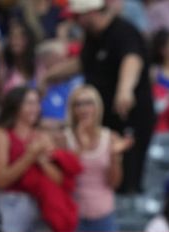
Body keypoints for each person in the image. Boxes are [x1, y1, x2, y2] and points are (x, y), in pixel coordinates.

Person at [62, 0, 155, 194]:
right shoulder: (92, 36)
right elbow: (83, 63)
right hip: (105, 117)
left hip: (128, 115)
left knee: (128, 172)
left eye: (80, 16)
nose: (78, 21)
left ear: (93, 13)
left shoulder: (123, 31)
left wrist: (125, 89)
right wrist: (50, 77)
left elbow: (132, 60)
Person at [0, 86, 74, 232]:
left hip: (42, 204)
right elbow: (0, 181)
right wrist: (30, 157)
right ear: (15, 105)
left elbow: (59, 181)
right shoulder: (1, 135)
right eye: (30, 103)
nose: (36, 108)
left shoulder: (42, 136)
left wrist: (43, 162)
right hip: (12, 203)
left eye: (37, 103)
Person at [65, 84, 133, 232]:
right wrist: (80, 148)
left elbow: (114, 183)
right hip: (73, 215)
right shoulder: (64, 138)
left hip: (104, 215)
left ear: (97, 107)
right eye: (78, 104)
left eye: (89, 103)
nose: (83, 108)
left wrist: (115, 156)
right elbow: (64, 177)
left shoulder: (110, 137)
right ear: (72, 109)